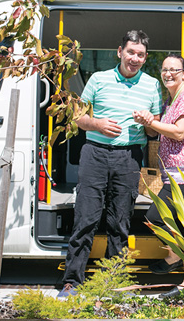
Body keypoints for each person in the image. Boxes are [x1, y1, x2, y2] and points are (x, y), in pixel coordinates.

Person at [58, 30, 162, 298]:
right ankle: (72, 282)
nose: (135, 58)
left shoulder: (151, 85)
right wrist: (97, 124)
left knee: (120, 222)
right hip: (94, 153)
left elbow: (155, 132)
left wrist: (149, 122)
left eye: (140, 55)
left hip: (129, 157)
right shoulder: (98, 79)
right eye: (130, 52)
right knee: (86, 218)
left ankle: (114, 283)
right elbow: (77, 116)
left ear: (145, 58)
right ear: (120, 52)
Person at [133, 54, 184, 299]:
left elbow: (179, 132)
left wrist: (151, 123)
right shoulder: (171, 98)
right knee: (173, 224)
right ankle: (182, 270)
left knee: (166, 221)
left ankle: (180, 268)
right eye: (164, 69)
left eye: (174, 70)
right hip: (175, 176)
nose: (168, 74)